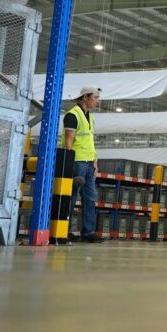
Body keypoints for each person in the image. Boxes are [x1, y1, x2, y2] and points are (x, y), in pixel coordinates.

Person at [60, 85, 103, 243]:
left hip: (89, 163)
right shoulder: (72, 115)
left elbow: (89, 140)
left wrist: (95, 162)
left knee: (90, 198)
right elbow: (68, 142)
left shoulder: (90, 117)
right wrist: (69, 163)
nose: (97, 101)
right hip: (77, 162)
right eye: (95, 97)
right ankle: (64, 231)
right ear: (85, 97)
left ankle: (88, 232)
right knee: (70, 198)